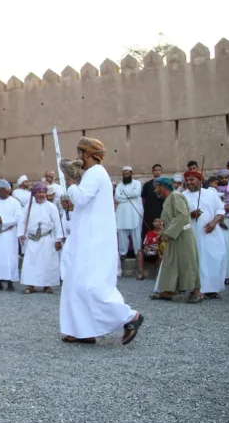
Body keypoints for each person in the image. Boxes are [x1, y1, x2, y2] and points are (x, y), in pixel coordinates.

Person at [59, 137, 144, 345]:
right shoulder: (92, 174)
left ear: (87, 154)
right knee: (75, 284)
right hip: (84, 237)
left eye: (80, 153)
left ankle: (130, 317)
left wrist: (71, 184)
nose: (78, 158)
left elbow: (81, 198)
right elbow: (84, 205)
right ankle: (82, 331)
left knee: (91, 286)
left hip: (93, 240)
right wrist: (71, 205)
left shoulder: (95, 173)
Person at [151, 178, 201, 301]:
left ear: (162, 186)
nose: (155, 190)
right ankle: (169, 291)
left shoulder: (176, 196)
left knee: (188, 262)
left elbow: (182, 215)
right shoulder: (169, 199)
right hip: (173, 235)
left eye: (156, 187)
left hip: (183, 235)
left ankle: (196, 292)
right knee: (171, 263)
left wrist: (168, 233)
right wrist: (164, 233)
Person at [181, 170, 226, 299]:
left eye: (192, 180)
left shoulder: (211, 194)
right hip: (193, 234)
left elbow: (220, 209)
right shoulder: (182, 196)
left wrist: (213, 223)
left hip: (211, 232)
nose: (189, 182)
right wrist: (191, 215)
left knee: (214, 258)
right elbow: (178, 215)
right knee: (198, 260)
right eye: (187, 180)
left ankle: (212, 288)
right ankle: (198, 289)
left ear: (200, 181)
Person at [19, 182, 63, 294]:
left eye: (43, 192)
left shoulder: (51, 207)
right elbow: (22, 221)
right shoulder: (28, 207)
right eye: (39, 192)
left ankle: (47, 285)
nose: (41, 194)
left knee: (47, 262)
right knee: (31, 262)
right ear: (34, 194)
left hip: (46, 238)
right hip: (32, 239)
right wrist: (21, 234)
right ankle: (31, 285)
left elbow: (57, 223)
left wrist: (58, 240)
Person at [114, 166, 143, 258]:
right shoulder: (119, 185)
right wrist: (129, 195)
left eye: (128, 173)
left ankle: (137, 252)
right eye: (124, 174)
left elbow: (137, 193)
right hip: (122, 212)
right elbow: (117, 197)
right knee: (122, 232)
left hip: (134, 211)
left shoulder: (137, 183)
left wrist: (124, 194)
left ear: (131, 173)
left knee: (136, 232)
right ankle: (123, 253)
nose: (126, 175)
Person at [140, 164, 164, 240]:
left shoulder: (165, 184)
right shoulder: (147, 185)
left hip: (161, 211)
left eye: (159, 170)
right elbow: (144, 198)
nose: (157, 172)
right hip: (149, 212)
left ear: (161, 171)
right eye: (155, 170)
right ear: (153, 172)